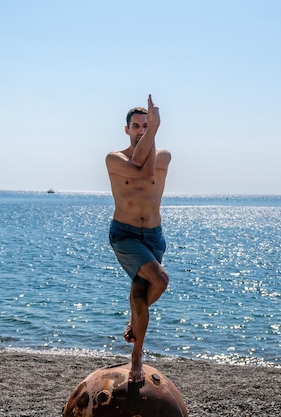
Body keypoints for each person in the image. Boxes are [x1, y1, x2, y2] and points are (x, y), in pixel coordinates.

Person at [106, 94, 171, 383]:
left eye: (146, 125)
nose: (141, 130)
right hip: (125, 235)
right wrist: (157, 126)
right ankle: (137, 358)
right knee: (160, 280)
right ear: (127, 129)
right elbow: (142, 166)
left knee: (137, 295)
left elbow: (149, 160)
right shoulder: (114, 159)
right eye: (136, 126)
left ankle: (134, 325)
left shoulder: (165, 157)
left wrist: (154, 130)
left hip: (154, 237)